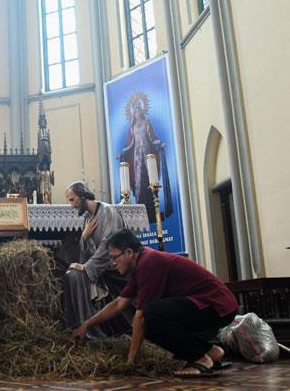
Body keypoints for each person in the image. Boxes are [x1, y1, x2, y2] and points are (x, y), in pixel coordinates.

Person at [71, 229, 238, 378]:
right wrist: (87, 324)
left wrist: (130, 362)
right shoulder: (142, 263)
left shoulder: (149, 263)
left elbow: (141, 317)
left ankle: (199, 358)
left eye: (114, 257)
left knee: (150, 313)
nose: (113, 263)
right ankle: (210, 351)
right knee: (149, 322)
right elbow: (119, 303)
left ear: (129, 252)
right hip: (209, 305)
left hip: (216, 305)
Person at [63, 181, 134, 338]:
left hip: (116, 268)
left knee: (77, 274)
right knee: (71, 275)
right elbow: (86, 252)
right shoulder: (88, 218)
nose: (72, 205)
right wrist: (83, 237)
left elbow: (108, 245)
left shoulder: (108, 212)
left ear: (82, 196)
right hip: (100, 269)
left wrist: (87, 267)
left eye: (72, 199)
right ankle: (77, 326)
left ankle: (91, 330)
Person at [119, 92, 172, 223]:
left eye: (139, 110)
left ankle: (152, 210)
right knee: (140, 182)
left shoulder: (146, 123)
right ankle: (141, 210)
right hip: (137, 156)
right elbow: (130, 143)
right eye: (135, 111)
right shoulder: (132, 127)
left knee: (150, 180)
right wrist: (123, 153)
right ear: (133, 113)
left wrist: (159, 143)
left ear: (142, 111)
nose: (137, 112)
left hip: (148, 154)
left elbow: (152, 138)